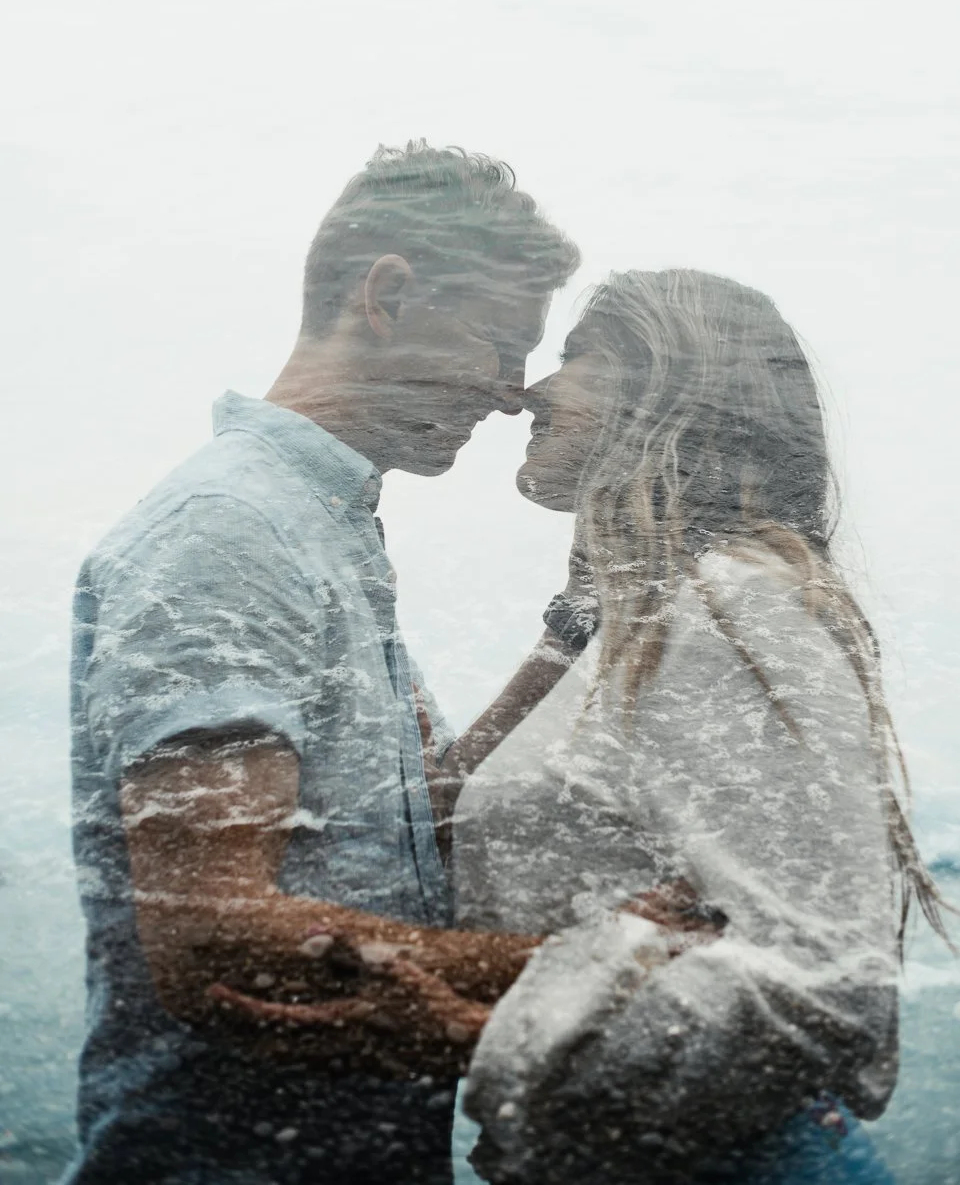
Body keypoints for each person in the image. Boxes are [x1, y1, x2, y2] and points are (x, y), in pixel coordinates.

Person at [64, 142, 580, 1185]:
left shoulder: (318, 525)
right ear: (386, 294)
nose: (513, 395)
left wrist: (568, 637)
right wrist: (595, 973)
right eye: (499, 342)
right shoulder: (230, 533)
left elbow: (411, 818)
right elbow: (213, 933)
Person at [447, 269, 950, 1184]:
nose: (529, 390)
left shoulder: (731, 608)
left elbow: (830, 989)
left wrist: (518, 1060)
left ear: (661, 388)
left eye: (573, 357)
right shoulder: (641, 620)